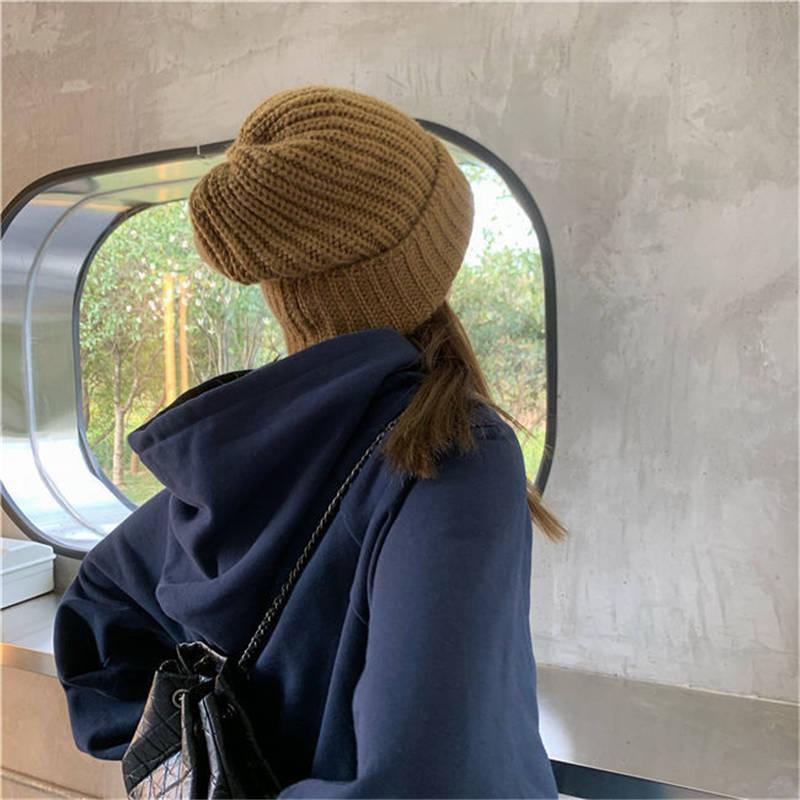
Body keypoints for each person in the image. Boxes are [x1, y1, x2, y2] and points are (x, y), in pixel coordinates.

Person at [53, 84, 567, 798]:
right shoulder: (454, 449)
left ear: (281, 287)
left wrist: (185, 759)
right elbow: (431, 784)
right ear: (428, 262)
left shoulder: (236, 443)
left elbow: (98, 608)